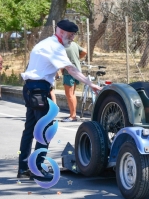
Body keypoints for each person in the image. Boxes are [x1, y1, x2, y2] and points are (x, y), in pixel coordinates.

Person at [17, 19, 102, 180]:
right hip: (40, 90)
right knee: (44, 131)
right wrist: (91, 84)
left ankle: (23, 169)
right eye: (70, 35)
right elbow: (71, 69)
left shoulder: (44, 43)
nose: (72, 38)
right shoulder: (56, 47)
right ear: (61, 32)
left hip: (29, 88)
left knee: (29, 130)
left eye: (74, 35)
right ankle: (37, 169)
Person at [61, 41, 87, 122]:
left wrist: (61, 70)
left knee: (69, 94)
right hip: (77, 70)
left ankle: (72, 116)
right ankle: (73, 114)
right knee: (72, 94)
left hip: (69, 72)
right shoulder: (74, 43)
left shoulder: (61, 45)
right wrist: (77, 58)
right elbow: (84, 51)